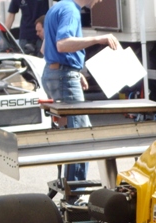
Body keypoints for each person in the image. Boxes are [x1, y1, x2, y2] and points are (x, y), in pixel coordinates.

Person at [42, 0, 119, 181]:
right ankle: (76, 190)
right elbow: (62, 44)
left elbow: (45, 48)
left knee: (74, 131)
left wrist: (75, 72)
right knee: (83, 135)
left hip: (54, 73)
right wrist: (98, 39)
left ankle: (72, 186)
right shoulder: (71, 10)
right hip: (63, 76)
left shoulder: (59, 7)